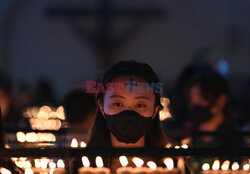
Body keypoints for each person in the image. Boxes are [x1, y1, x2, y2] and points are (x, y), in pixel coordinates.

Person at [86, 60, 190, 174]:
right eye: (117, 104)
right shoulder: (82, 165)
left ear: (155, 111)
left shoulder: (172, 168)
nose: (128, 113)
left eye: (140, 105)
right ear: (102, 107)